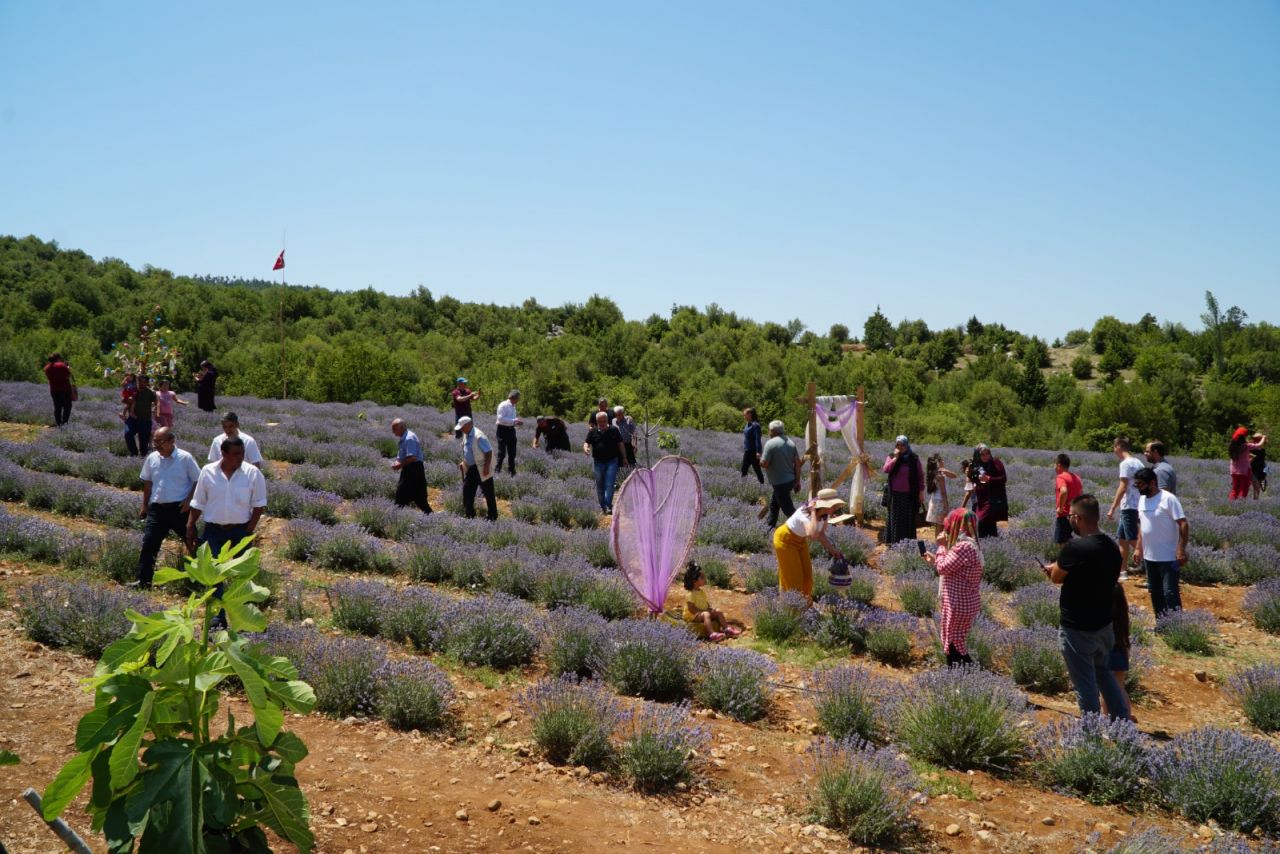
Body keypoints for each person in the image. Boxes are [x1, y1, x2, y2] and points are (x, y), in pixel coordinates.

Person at [1044, 494, 1130, 721]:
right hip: (1104, 626)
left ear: (1078, 518)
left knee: (1085, 684)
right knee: (1105, 676)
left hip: (1077, 628)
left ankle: (1091, 733)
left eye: (1071, 516)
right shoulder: (1111, 547)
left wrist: (1053, 569)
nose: (1069, 520)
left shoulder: (1075, 548)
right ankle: (1121, 721)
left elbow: (1057, 577)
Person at [134, 426, 201, 588]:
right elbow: (148, 481)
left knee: (193, 543)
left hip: (180, 509)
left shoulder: (185, 458)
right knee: (149, 544)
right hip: (157, 510)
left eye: (160, 441)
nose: (156, 445)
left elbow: (198, 480)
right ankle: (144, 581)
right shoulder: (152, 458)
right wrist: (145, 505)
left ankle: (202, 580)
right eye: (154, 441)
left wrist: (189, 500)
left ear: (172, 441)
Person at [186, 435, 267, 559]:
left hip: (240, 531)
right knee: (211, 568)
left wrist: (249, 530)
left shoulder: (253, 473)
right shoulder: (207, 471)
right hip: (213, 532)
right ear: (223, 453)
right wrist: (190, 525)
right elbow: (198, 502)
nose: (241, 457)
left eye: (242, 453)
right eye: (236, 454)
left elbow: (259, 504)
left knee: (241, 569)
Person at [922, 508, 983, 666]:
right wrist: (935, 559)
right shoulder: (971, 544)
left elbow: (943, 568)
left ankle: (963, 673)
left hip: (958, 603)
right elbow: (952, 568)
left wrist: (941, 547)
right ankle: (961, 673)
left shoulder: (963, 547)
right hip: (964, 601)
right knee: (955, 640)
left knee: (953, 642)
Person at [772, 488, 846, 604]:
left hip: (800, 541)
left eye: (835, 506)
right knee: (793, 577)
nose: (835, 508)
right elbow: (812, 535)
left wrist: (832, 550)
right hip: (785, 540)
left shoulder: (825, 515)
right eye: (833, 505)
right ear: (823, 505)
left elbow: (820, 533)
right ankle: (791, 606)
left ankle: (804, 603)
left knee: (807, 576)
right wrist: (813, 512)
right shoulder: (804, 512)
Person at [1133, 467, 1189, 616]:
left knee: (1170, 592)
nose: (1139, 488)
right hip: (1149, 557)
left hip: (1169, 557)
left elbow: (1183, 524)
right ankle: (1162, 623)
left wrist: (1181, 549)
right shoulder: (1142, 500)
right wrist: (1138, 548)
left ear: (1152, 483)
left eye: (1141, 485)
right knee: (1154, 591)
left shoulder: (1168, 499)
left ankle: (1176, 625)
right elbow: (1142, 526)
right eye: (1137, 485)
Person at [1105, 436, 1144, 580]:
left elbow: (1123, 486)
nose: (1114, 450)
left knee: (1132, 538)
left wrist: (1112, 507)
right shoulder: (1138, 462)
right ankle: (1123, 572)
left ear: (1119, 446)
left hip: (1129, 506)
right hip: (1137, 504)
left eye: (1114, 447)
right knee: (1122, 539)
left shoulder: (1125, 464)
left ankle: (1153, 565)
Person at [683, 562, 742, 641]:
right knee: (706, 614)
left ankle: (726, 629)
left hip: (702, 612)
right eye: (702, 577)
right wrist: (703, 612)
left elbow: (704, 603)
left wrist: (710, 609)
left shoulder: (701, 592)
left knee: (718, 611)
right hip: (693, 615)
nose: (705, 579)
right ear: (694, 581)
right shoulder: (691, 594)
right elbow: (691, 609)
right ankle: (712, 634)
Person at [1101, 583, 1135, 722]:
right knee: (1120, 687)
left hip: (1108, 652)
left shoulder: (1104, 617)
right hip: (1121, 650)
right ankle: (1125, 719)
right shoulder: (1122, 614)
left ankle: (1107, 720)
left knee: (1105, 689)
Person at [882, 436, 925, 544]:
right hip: (895, 494)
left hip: (909, 494)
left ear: (906, 445)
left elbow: (920, 476)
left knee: (907, 519)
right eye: (898, 444)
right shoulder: (891, 456)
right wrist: (895, 458)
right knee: (895, 518)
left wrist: (921, 492)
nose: (900, 447)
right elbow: (886, 469)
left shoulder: (913, 458)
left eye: (902, 445)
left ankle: (908, 543)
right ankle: (894, 542)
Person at [760, 420, 802, 527]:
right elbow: (797, 464)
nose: (768, 432)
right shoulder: (791, 443)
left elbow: (764, 464)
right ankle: (769, 527)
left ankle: (804, 528)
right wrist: (797, 481)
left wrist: (759, 458)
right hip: (790, 480)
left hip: (780, 482)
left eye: (769, 430)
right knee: (774, 504)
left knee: (788, 510)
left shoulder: (770, 444)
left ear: (772, 431)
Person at [583, 411, 626, 514]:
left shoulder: (614, 430)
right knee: (600, 484)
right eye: (600, 421)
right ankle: (601, 505)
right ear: (597, 421)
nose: (602, 423)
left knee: (609, 484)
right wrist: (586, 448)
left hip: (612, 461)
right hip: (598, 462)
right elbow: (586, 442)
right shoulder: (593, 431)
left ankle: (607, 505)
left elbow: (620, 444)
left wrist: (624, 457)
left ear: (607, 420)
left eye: (604, 421)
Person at [456, 416, 497, 520]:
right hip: (471, 468)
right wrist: (464, 462)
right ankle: (469, 516)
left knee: (488, 493)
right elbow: (467, 450)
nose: (461, 429)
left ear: (469, 425)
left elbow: (489, 452)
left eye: (462, 427)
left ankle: (492, 517)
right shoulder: (466, 434)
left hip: (482, 467)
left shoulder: (479, 436)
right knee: (467, 491)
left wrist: (486, 467)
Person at [390, 418, 432, 514]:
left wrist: (399, 465)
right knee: (418, 498)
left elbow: (412, 457)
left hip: (413, 469)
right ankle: (432, 517)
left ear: (401, 428)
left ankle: (395, 517)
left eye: (394, 430)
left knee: (401, 497)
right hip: (411, 468)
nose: (393, 433)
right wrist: (397, 462)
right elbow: (402, 455)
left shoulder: (409, 438)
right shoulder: (404, 438)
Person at [969, 444, 1008, 538]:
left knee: (981, 522)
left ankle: (985, 542)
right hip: (980, 500)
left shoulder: (996, 463)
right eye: (982, 454)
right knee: (990, 525)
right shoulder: (976, 465)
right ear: (978, 455)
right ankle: (991, 543)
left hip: (993, 499)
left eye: (987, 454)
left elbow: (1003, 479)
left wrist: (989, 479)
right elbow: (972, 479)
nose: (986, 456)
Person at [1053, 453, 1084, 545]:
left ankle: (1069, 555)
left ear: (1059, 465)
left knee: (1062, 542)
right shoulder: (1077, 478)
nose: (1054, 467)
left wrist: (1060, 507)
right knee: (1069, 539)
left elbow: (1063, 491)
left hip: (1064, 515)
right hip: (1075, 514)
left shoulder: (1061, 477)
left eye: (1054, 465)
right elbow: (1081, 494)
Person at [1228, 427, 1266, 500]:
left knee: (1235, 489)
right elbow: (1259, 445)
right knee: (1244, 489)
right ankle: (1241, 504)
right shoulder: (1246, 446)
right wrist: (1263, 438)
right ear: (1243, 437)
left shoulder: (1232, 446)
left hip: (1233, 471)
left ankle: (1231, 503)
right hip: (1244, 471)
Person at [924, 453, 958, 534]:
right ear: (938, 462)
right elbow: (943, 492)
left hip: (934, 501)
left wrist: (945, 470)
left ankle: (938, 541)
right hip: (941, 502)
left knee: (938, 526)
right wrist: (946, 506)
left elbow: (954, 476)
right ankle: (939, 541)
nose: (943, 461)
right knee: (941, 526)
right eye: (941, 460)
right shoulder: (940, 476)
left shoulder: (933, 473)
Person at [125, 374, 157, 457]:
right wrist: (128, 399)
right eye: (140, 381)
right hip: (132, 419)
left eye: (144, 382)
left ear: (147, 383)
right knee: (128, 434)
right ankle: (133, 453)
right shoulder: (132, 390)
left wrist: (156, 409)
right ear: (137, 381)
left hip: (145, 420)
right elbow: (124, 399)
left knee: (144, 442)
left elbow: (157, 402)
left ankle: (143, 456)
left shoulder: (150, 392)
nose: (142, 383)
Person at [494, 389, 523, 476]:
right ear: (514, 398)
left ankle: (512, 471)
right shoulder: (503, 405)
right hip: (502, 430)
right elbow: (500, 419)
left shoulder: (513, 406)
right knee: (502, 453)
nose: (518, 400)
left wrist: (516, 423)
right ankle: (497, 470)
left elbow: (510, 420)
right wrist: (514, 420)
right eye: (518, 398)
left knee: (512, 452)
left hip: (511, 430)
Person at [43, 353, 74, 426]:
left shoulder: (46, 368)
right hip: (64, 389)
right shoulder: (62, 365)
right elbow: (69, 375)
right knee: (67, 406)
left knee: (57, 407)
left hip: (54, 390)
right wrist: (68, 367)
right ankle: (65, 423)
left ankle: (58, 423)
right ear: (58, 358)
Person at [741, 408, 764, 484]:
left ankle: (762, 484)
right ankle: (743, 485)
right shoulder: (747, 424)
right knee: (745, 469)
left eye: (745, 415)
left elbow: (757, 439)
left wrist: (758, 452)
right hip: (747, 450)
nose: (744, 416)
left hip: (753, 451)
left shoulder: (755, 425)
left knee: (755, 469)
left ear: (750, 414)